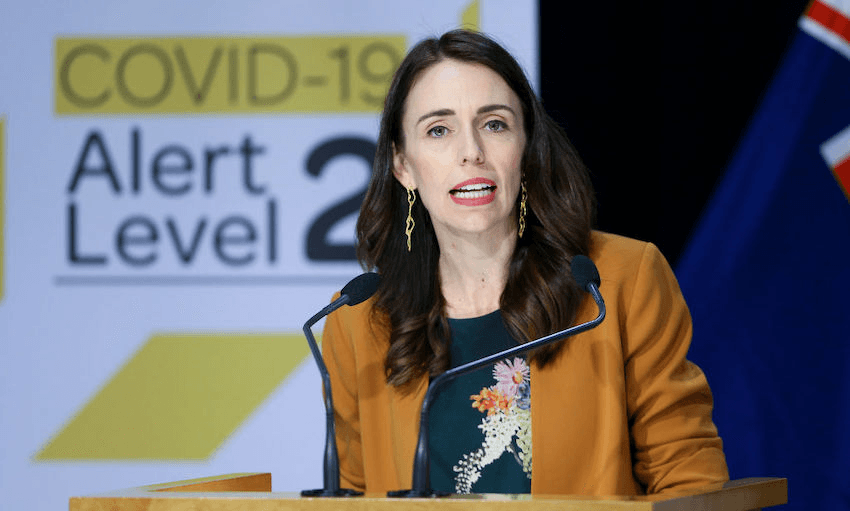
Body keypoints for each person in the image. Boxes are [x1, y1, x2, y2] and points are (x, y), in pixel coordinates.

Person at [321, 29, 728, 496]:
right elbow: (350, 495)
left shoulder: (617, 282)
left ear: (527, 149)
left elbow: (690, 479)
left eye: (494, 124)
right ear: (403, 166)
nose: (470, 151)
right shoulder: (357, 321)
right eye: (438, 130)